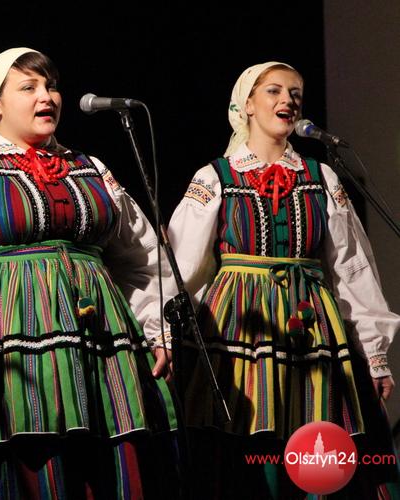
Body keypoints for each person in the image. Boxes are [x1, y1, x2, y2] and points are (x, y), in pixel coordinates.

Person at [0, 47, 178, 499]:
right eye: (28, 87)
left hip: (99, 338)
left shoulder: (90, 168)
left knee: (106, 458)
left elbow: (142, 256)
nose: (46, 96)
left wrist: (158, 327)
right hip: (13, 335)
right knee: (33, 458)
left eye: (51, 86)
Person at [167, 61, 400, 498]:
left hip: (311, 324)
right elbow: (185, 267)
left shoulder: (321, 176)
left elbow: (352, 267)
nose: (288, 101)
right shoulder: (215, 177)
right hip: (239, 327)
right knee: (245, 447)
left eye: (295, 94)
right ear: (247, 104)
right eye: (274, 91)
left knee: (319, 438)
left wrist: (374, 352)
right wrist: (170, 339)